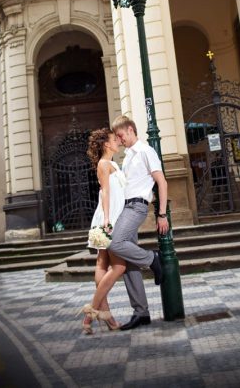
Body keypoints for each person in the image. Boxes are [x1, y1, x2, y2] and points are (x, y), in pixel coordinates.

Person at [107, 115, 167, 331]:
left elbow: (161, 181)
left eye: (121, 135)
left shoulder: (145, 151)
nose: (120, 140)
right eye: (118, 137)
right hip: (125, 208)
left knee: (115, 243)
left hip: (137, 207)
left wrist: (161, 214)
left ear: (131, 129)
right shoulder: (129, 156)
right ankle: (141, 313)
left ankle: (152, 258)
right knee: (128, 262)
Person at [79, 127, 127, 334]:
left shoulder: (113, 163)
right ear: (106, 144)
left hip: (111, 217)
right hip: (108, 219)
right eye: (113, 139)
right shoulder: (103, 164)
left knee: (103, 262)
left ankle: (100, 319)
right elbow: (105, 192)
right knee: (119, 267)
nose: (117, 141)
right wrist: (107, 219)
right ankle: (92, 312)